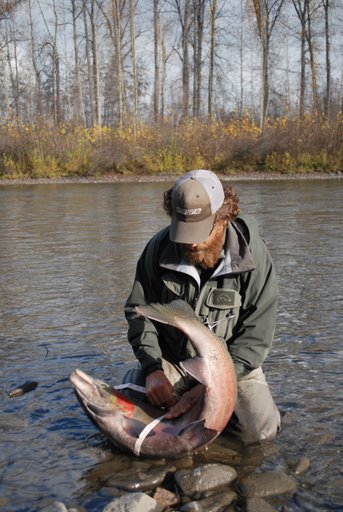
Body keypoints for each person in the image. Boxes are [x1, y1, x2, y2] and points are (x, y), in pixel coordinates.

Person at [123, 169, 281, 444]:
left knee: (259, 435)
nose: (192, 242)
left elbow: (256, 337)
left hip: (232, 366)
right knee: (132, 417)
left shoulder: (253, 258)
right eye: (184, 231)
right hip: (174, 361)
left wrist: (211, 384)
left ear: (223, 217)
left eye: (200, 231)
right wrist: (152, 368)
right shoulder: (158, 249)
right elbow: (140, 313)